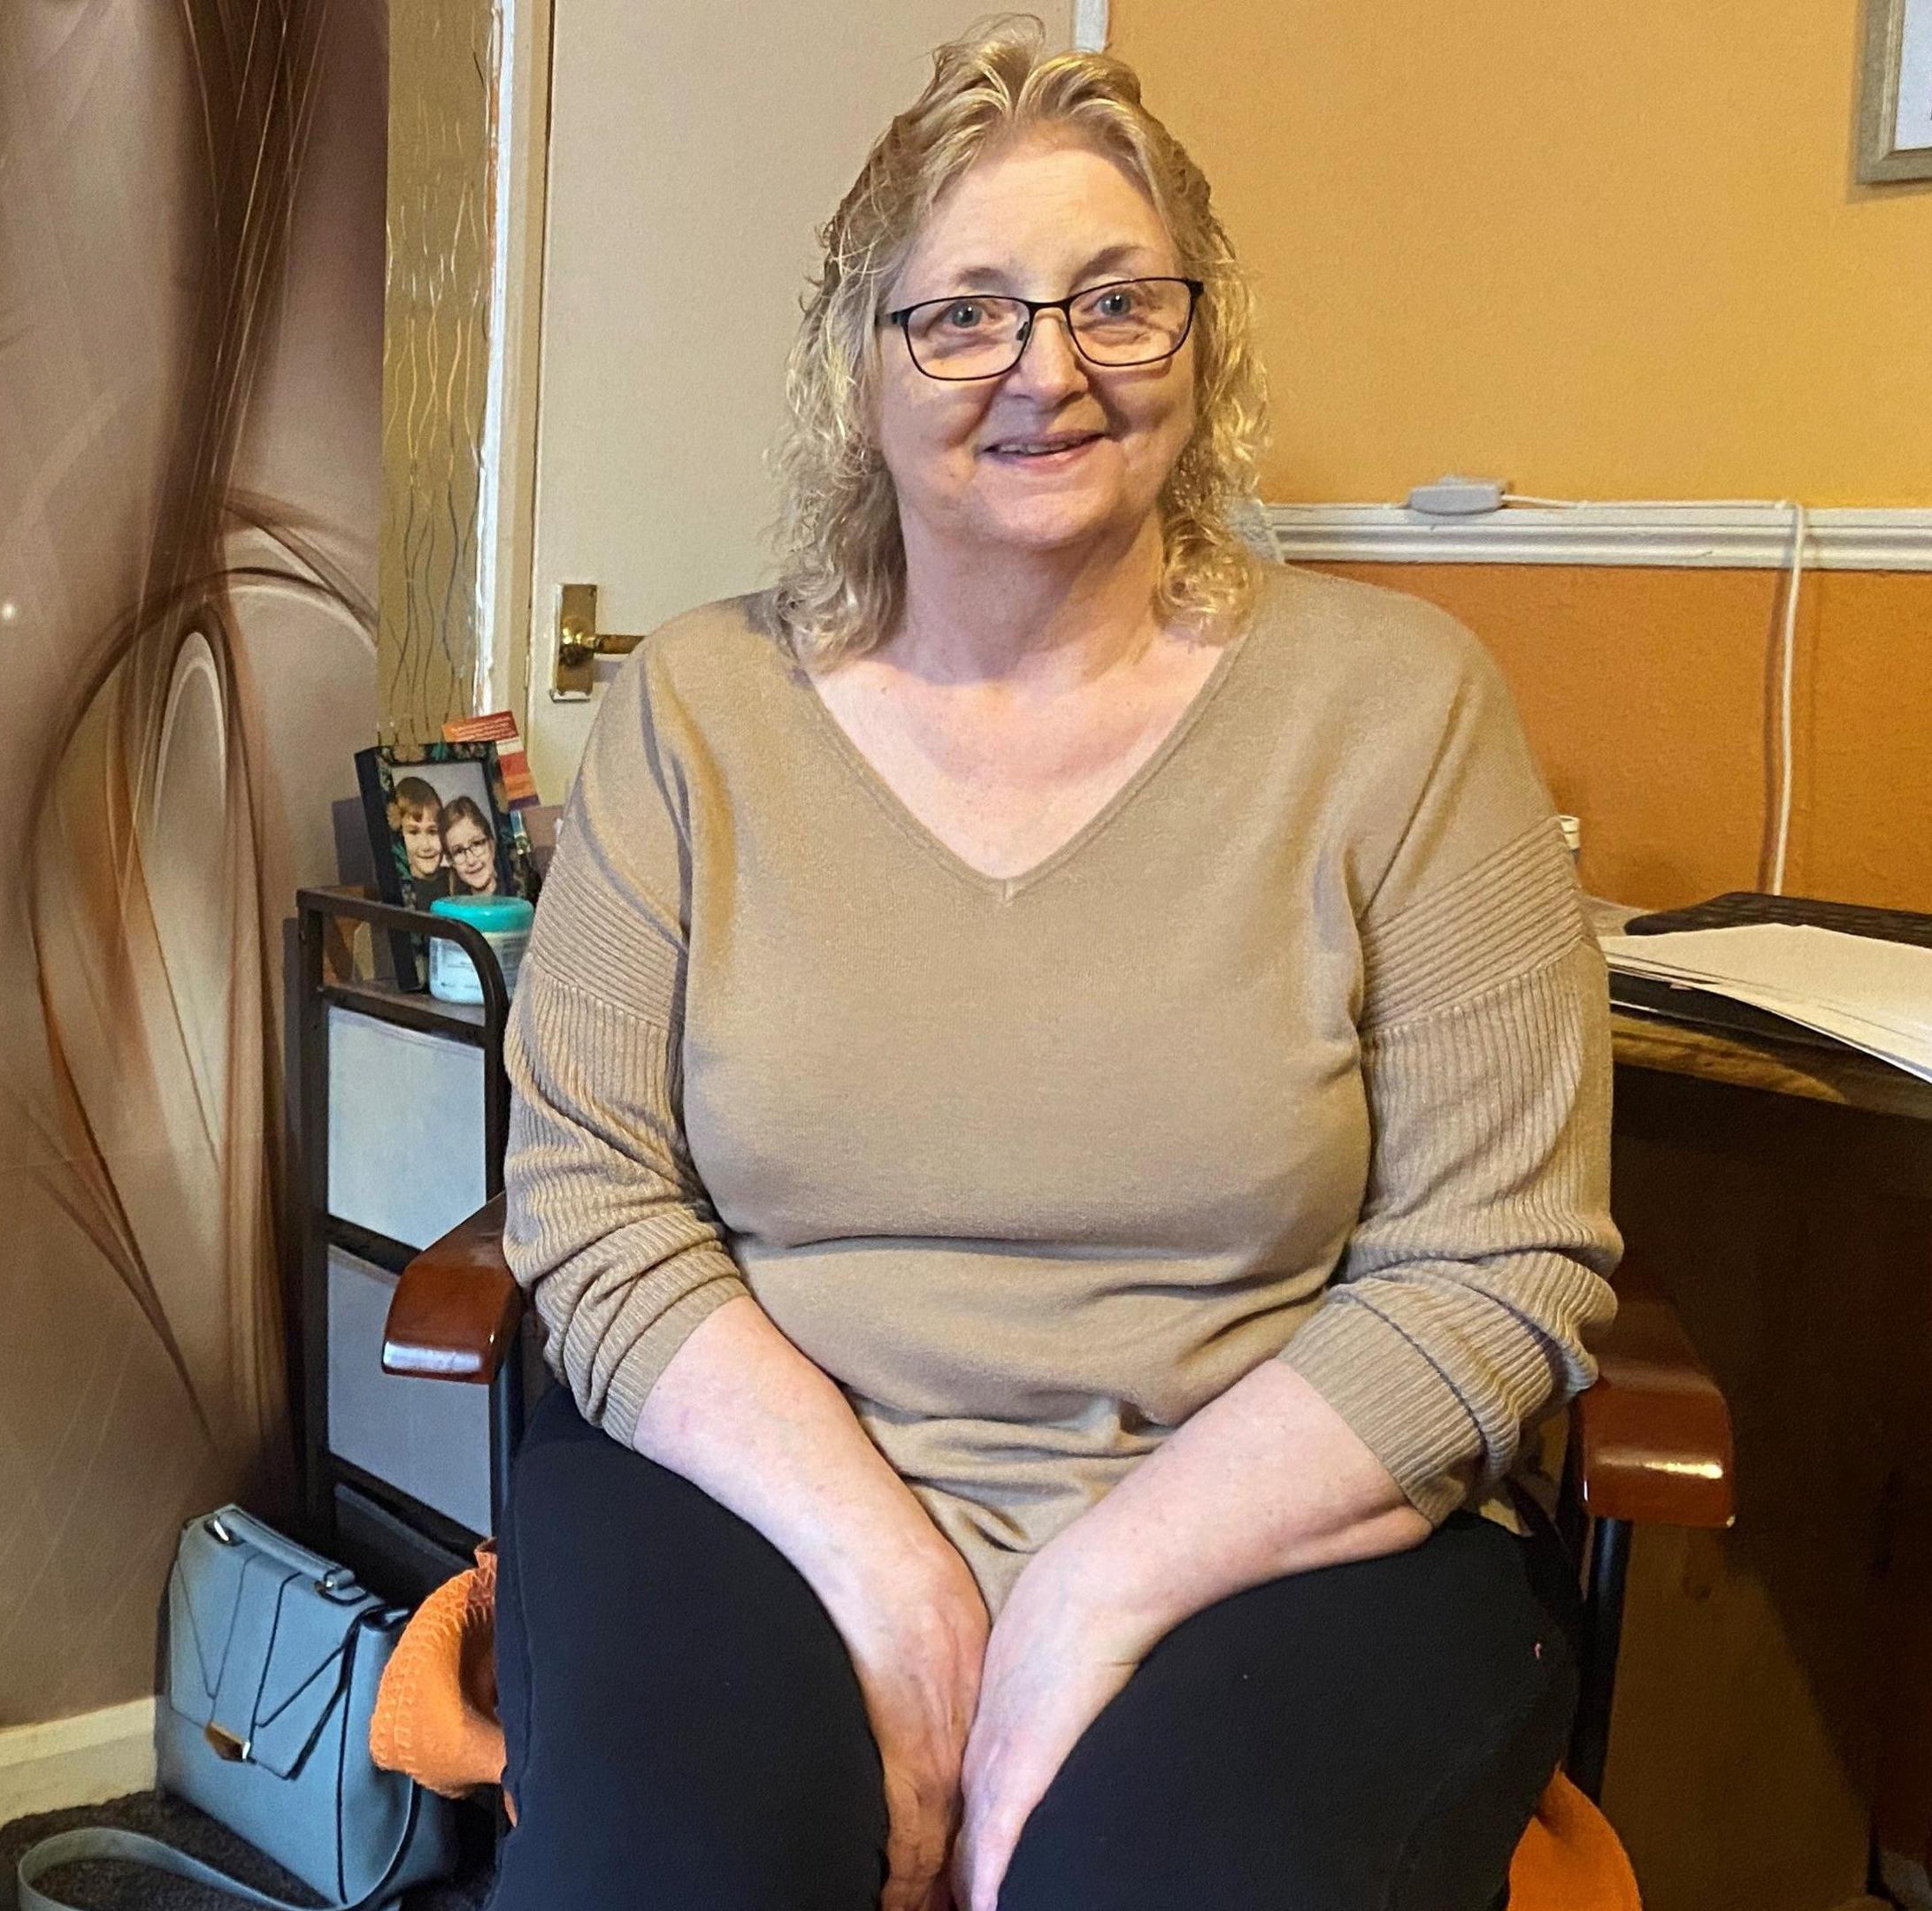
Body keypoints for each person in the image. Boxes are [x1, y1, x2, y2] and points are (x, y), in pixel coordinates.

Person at [488, 25, 1614, 1911]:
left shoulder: (1405, 713)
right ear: (861, 369)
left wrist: (1098, 1592)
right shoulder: (694, 715)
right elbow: (591, 1203)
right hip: (756, 1503)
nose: (1050, 368)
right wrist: (892, 1571)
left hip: (1281, 1540)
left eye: (1118, 303)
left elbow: (1500, 1268)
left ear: (1202, 341)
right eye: (966, 315)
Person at [389, 774, 454, 901]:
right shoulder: (399, 888)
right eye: (413, 832)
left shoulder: (459, 880)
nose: (426, 845)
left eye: (432, 831)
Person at [438, 797, 505, 899]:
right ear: (451, 861)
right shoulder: (453, 910)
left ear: (491, 845)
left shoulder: (520, 897)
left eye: (477, 844)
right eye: (459, 851)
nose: (471, 861)